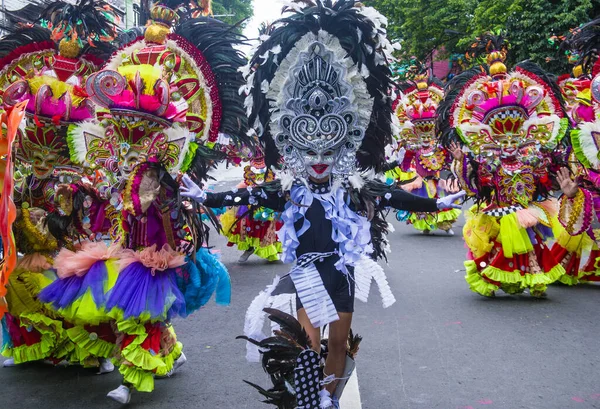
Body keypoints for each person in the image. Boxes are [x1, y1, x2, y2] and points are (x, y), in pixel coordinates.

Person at [181, 2, 463, 407]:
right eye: (307, 148)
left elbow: (393, 196)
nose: (317, 158)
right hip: (308, 275)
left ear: (341, 146)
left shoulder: (352, 187)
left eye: (326, 147)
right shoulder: (290, 189)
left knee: (338, 344)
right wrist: (206, 196)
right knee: (308, 344)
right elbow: (249, 196)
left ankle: (329, 397)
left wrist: (436, 204)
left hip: (341, 273)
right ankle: (314, 398)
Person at [439, 33, 568, 298]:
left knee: (533, 245)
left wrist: (553, 162)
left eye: (515, 136)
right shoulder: (487, 159)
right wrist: (462, 162)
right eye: (501, 137)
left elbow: (545, 179)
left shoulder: (530, 156)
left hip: (527, 209)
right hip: (500, 211)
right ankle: (495, 279)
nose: (509, 143)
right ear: (488, 136)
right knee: (499, 248)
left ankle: (534, 281)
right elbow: (473, 188)